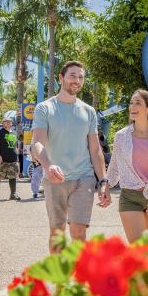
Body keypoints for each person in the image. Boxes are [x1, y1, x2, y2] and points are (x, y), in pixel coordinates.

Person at [32, 61, 110, 253]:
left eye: (81, 77)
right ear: (61, 78)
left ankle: (79, 280)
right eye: (73, 76)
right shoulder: (44, 108)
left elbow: (95, 149)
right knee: (57, 233)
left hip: (84, 177)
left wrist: (103, 181)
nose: (77, 80)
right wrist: (48, 166)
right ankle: (60, 282)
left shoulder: (88, 111)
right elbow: (37, 143)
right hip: (54, 179)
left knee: (79, 233)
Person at [107, 89, 148, 257]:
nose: (132, 106)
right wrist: (105, 186)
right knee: (139, 250)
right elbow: (114, 166)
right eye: (131, 103)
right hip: (130, 197)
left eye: (138, 103)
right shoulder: (121, 136)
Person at [0, 116, 21, 201]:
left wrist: (17, 159)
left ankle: (13, 194)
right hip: (2, 160)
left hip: (13, 160)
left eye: (9, 121)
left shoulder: (14, 133)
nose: (8, 123)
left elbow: (15, 147)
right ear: (3, 123)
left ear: (12, 123)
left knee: (13, 176)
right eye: (6, 121)